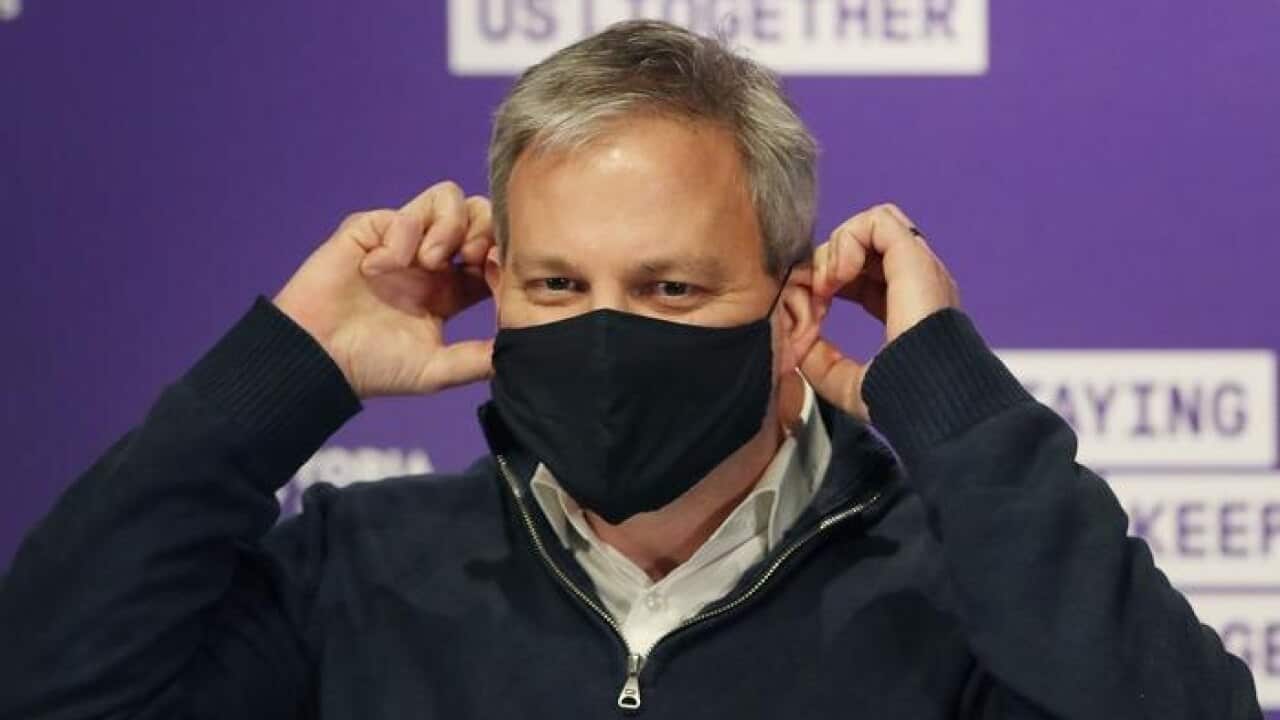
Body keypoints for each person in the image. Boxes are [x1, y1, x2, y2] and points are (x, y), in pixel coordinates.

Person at [0, 19, 1262, 720]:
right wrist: (282, 373)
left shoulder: (959, 592)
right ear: (494, 288)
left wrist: (952, 406)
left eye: (669, 288)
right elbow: (48, 685)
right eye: (556, 286)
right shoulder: (359, 571)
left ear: (789, 311)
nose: (605, 336)